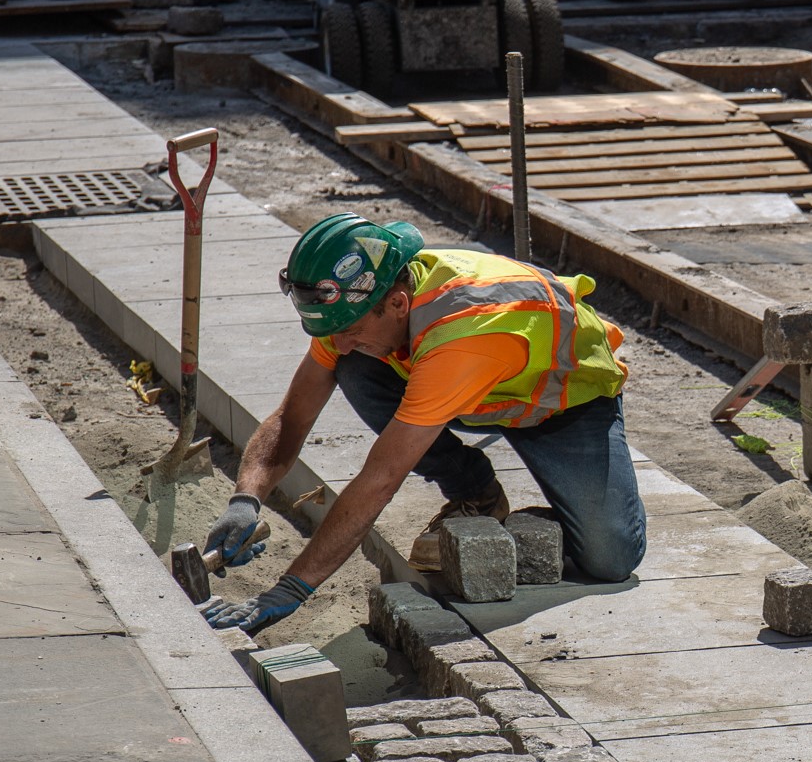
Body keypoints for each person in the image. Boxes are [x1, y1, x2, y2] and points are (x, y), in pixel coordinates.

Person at [200, 213, 647, 633]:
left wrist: (289, 589)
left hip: (561, 406)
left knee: (610, 557)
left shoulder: (466, 333)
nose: (339, 342)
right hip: (466, 390)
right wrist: (246, 499)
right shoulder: (356, 309)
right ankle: (477, 493)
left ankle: (548, 521)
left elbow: (380, 478)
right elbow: (292, 417)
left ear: (397, 303)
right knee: (354, 365)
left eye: (350, 330)